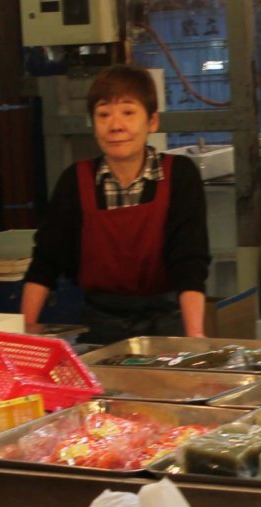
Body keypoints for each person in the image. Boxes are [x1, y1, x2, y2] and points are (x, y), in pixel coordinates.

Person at [24, 65, 210, 342]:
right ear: (93, 124)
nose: (115, 125)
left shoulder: (179, 175)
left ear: (152, 122)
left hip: (167, 325)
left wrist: (195, 335)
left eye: (128, 112)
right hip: (99, 327)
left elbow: (190, 261)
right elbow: (46, 261)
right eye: (103, 114)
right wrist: (26, 329)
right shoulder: (75, 181)